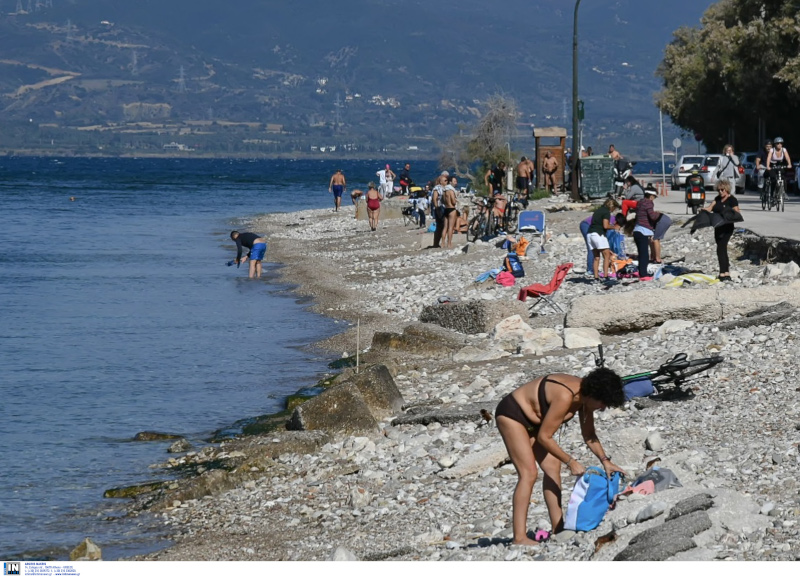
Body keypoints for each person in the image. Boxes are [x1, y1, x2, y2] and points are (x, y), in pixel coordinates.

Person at [495, 367, 627, 544]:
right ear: (594, 394)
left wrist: (605, 461)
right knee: (528, 474)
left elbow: (589, 435)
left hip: (537, 423)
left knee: (552, 467)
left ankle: (559, 528)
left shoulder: (584, 399)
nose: (603, 408)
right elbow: (544, 437)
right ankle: (519, 537)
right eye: (602, 403)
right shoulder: (566, 396)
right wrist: (570, 461)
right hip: (513, 415)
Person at [703, 180, 740, 282]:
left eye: (722, 190)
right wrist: (703, 210)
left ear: (727, 189)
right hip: (718, 227)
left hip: (727, 227)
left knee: (721, 248)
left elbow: (737, 212)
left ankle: (724, 272)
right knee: (721, 249)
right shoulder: (717, 199)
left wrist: (727, 213)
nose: (720, 192)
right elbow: (710, 208)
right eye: (718, 190)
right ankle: (724, 273)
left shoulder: (732, 200)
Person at [587, 197, 620, 281]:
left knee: (596, 257)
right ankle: (605, 276)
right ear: (612, 206)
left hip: (590, 234)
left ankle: (596, 277)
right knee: (606, 255)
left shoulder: (598, 210)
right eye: (614, 208)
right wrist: (614, 227)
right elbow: (605, 226)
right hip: (598, 234)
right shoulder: (606, 212)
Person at [632, 187, 661, 281]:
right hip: (643, 231)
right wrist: (659, 214)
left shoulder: (640, 202)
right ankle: (643, 274)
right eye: (654, 197)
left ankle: (641, 271)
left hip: (636, 230)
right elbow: (652, 216)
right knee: (644, 255)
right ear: (651, 196)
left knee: (641, 254)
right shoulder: (649, 203)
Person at [430, 172, 448, 248]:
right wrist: (437, 207)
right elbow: (434, 198)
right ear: (440, 181)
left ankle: (437, 243)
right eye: (445, 180)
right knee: (442, 225)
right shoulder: (437, 188)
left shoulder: (446, 188)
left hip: (444, 207)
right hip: (440, 208)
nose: (446, 182)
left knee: (441, 226)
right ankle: (437, 243)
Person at [442, 176, 458, 249]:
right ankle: (449, 243)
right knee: (450, 227)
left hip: (446, 208)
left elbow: (442, 200)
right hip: (451, 209)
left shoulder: (444, 190)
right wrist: (456, 199)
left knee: (445, 227)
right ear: (450, 182)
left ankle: (442, 243)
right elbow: (453, 202)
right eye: (454, 181)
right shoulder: (451, 191)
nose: (456, 183)